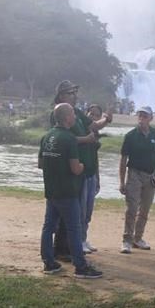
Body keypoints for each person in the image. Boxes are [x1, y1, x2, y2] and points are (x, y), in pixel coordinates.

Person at [38, 103, 102, 278]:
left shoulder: (47, 136)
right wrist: (82, 166)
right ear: (67, 118)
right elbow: (75, 168)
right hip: (68, 191)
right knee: (74, 228)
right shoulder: (69, 139)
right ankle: (81, 267)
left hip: (51, 190)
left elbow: (41, 164)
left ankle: (48, 263)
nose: (75, 116)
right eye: (73, 113)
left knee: (48, 226)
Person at [52, 81, 113, 259]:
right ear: (62, 96)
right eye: (71, 93)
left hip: (86, 169)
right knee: (71, 213)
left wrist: (106, 118)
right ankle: (67, 248)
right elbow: (63, 139)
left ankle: (75, 244)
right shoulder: (59, 113)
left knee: (83, 211)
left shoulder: (76, 112)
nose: (75, 96)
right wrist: (86, 140)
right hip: (73, 169)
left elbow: (93, 126)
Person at [119, 106, 155, 254]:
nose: (142, 119)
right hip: (134, 174)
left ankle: (138, 238)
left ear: (151, 118)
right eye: (140, 116)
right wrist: (122, 181)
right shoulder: (131, 135)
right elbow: (123, 159)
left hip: (151, 175)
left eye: (145, 116)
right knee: (131, 208)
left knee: (145, 209)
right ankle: (127, 240)